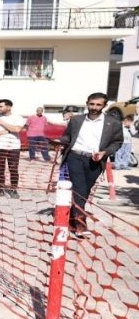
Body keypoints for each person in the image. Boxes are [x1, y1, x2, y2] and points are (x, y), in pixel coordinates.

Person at [57, 92, 123, 238]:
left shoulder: (113, 123)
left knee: (84, 192)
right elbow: (68, 136)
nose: (94, 107)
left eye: (98, 104)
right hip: (75, 157)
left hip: (95, 161)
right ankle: (81, 224)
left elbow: (117, 142)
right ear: (87, 103)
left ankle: (72, 217)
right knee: (79, 189)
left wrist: (104, 152)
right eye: (91, 104)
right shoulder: (76, 120)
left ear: (104, 106)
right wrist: (59, 141)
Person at [0, 99, 25, 199]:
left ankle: (13, 190)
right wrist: (8, 131)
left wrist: (2, 123)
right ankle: (1, 189)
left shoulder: (18, 118)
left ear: (9, 107)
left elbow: (17, 129)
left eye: (1, 106)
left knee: (13, 169)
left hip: (13, 147)